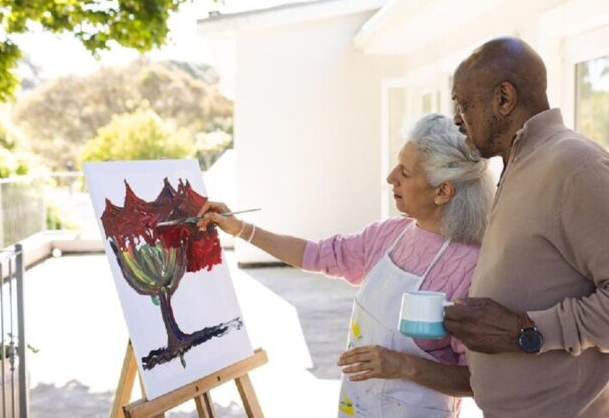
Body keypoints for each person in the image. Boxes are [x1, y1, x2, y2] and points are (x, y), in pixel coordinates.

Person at [444, 37, 609, 417]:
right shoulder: (521, 166)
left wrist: (523, 331)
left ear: (504, 99)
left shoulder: (576, 168)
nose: (457, 118)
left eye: (463, 103)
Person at [198, 113, 493, 417]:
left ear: (442, 191)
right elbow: (315, 254)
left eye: (404, 172)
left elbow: (478, 380)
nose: (391, 177)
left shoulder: (470, 268)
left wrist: (404, 365)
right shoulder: (391, 234)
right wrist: (242, 229)